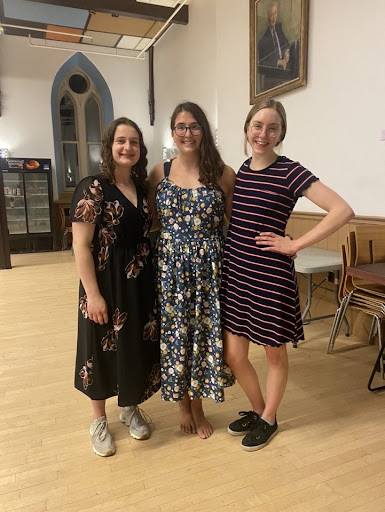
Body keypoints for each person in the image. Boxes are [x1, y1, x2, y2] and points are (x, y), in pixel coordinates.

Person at [220, 98, 354, 451]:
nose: (263, 133)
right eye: (257, 126)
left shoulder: (290, 170)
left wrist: (295, 245)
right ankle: (258, 409)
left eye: (272, 127)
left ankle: (269, 418)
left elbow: (342, 210)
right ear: (247, 129)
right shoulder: (243, 170)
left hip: (269, 278)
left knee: (273, 354)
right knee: (234, 356)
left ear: (281, 133)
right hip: (237, 276)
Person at [71, 117, 160, 457]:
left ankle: (130, 406)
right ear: (109, 146)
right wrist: (92, 294)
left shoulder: (141, 188)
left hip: (138, 281)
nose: (127, 147)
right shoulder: (93, 187)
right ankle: (98, 419)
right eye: (121, 141)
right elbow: (81, 245)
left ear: (140, 148)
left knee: (135, 344)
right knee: (100, 348)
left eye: (134, 142)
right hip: (105, 282)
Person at [148, 102, 235, 439]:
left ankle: (198, 406)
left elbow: (237, 224)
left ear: (204, 131)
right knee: (176, 338)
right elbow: (148, 223)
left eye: (194, 126)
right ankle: (183, 404)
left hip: (210, 271)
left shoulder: (223, 173)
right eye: (181, 126)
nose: (187, 132)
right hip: (169, 270)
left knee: (203, 338)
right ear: (172, 132)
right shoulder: (159, 172)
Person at [258, 1, 290, 71]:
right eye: (271, 14)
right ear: (267, 16)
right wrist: (278, 62)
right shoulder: (263, 40)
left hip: (286, 68)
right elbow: (262, 63)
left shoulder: (279, 29)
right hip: (273, 74)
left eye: (275, 13)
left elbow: (286, 42)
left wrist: (286, 51)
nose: (273, 18)